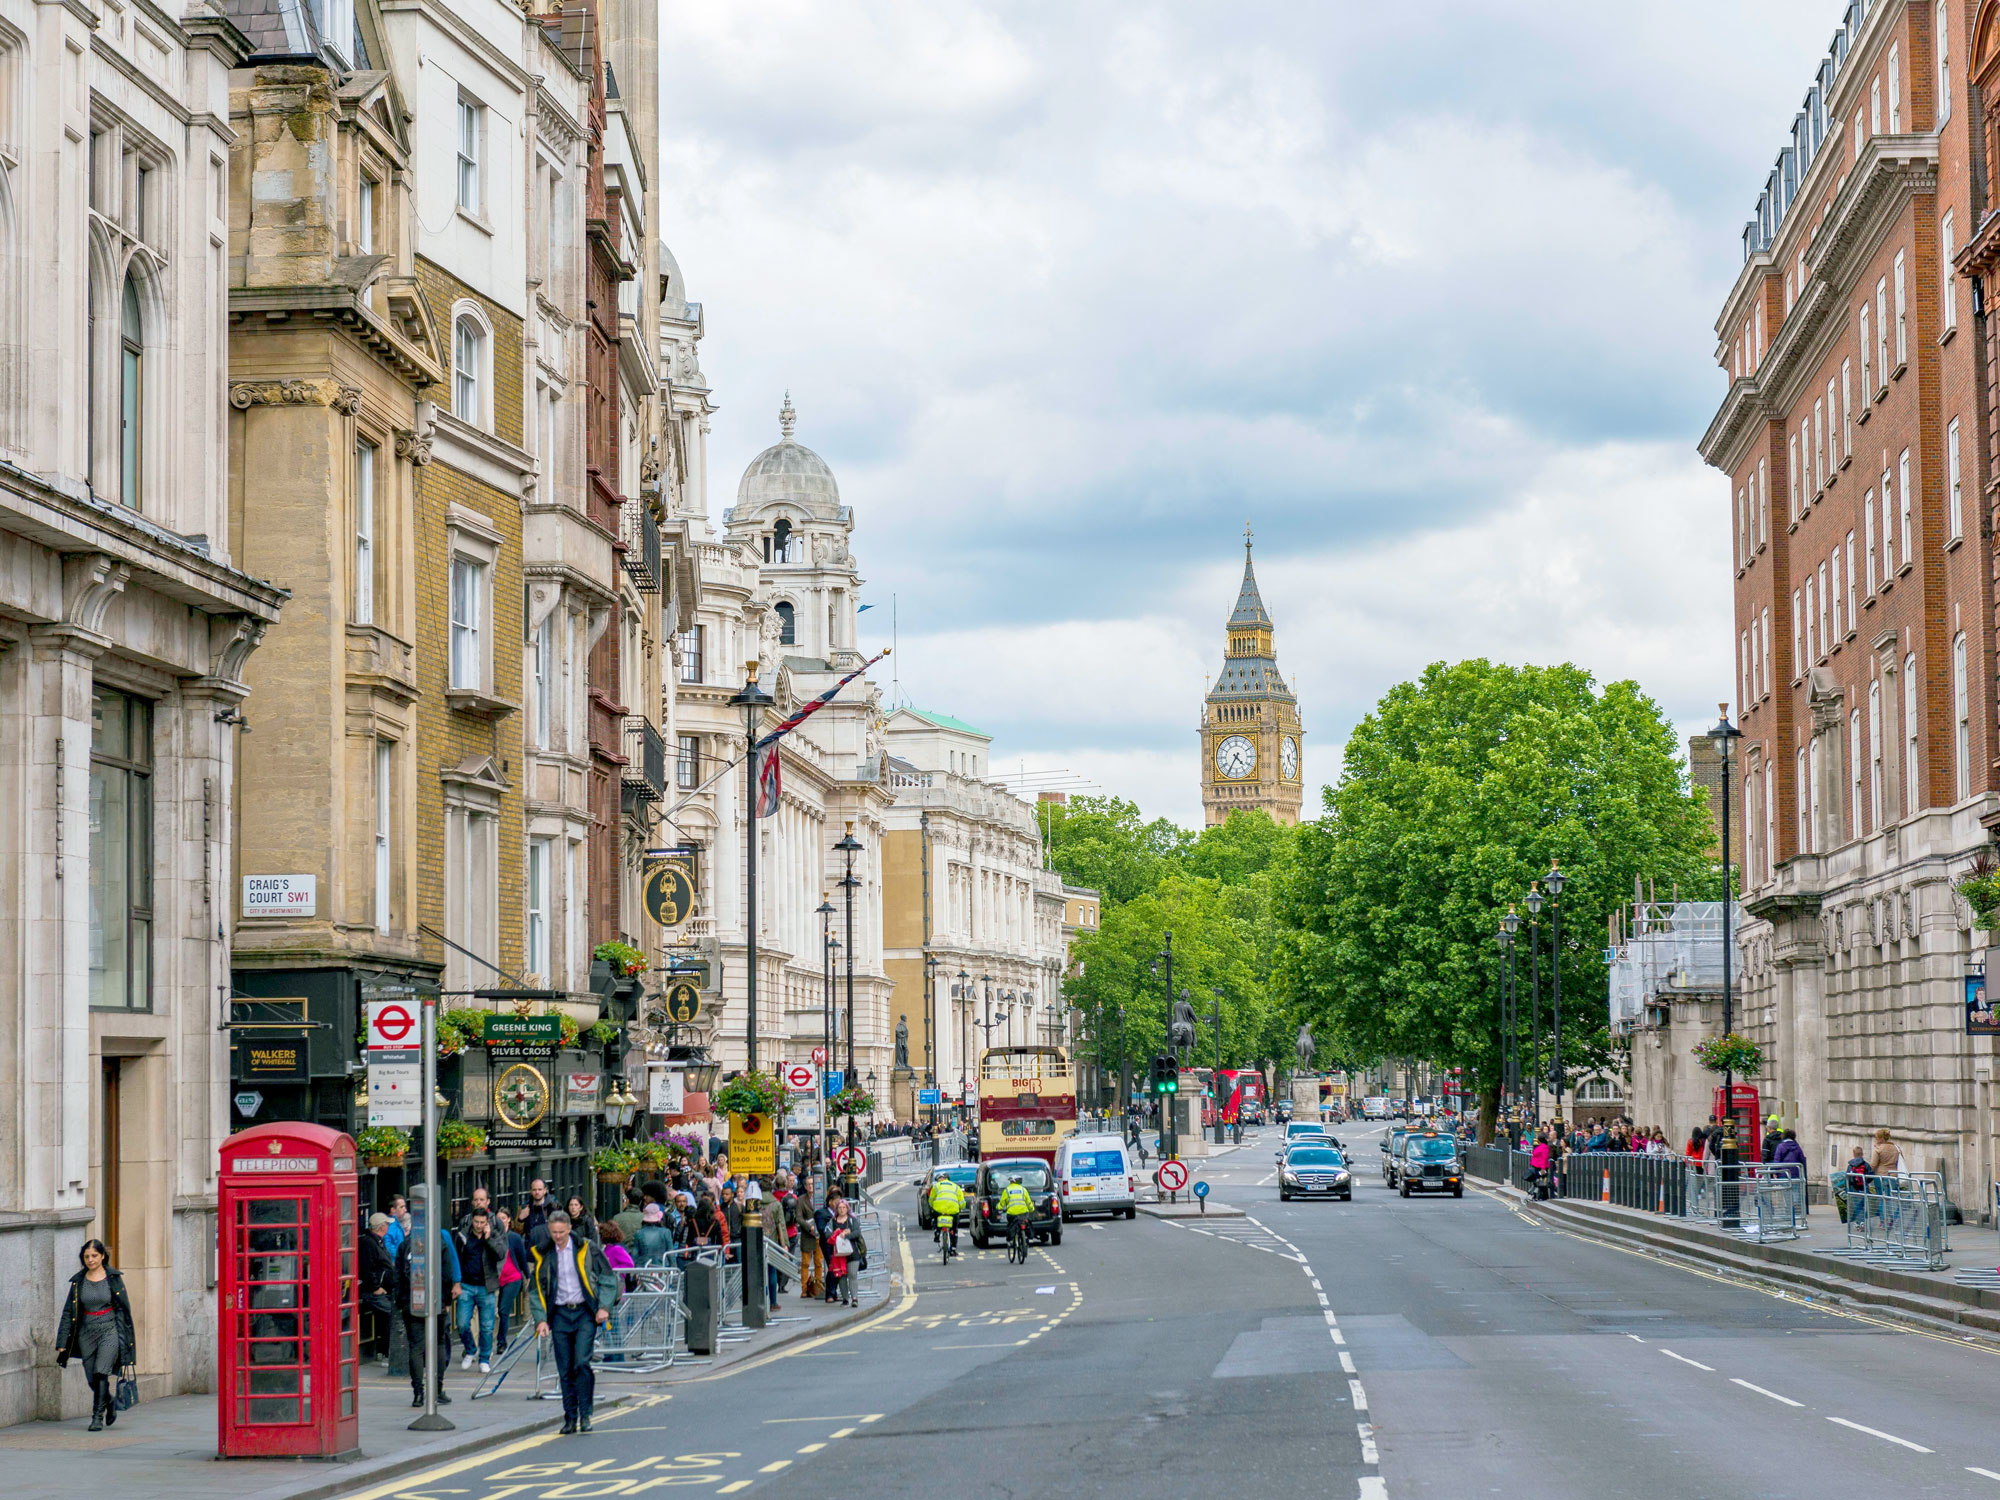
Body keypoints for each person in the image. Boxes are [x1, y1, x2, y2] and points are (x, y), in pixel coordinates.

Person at [528, 1210, 616, 1435]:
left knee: (581, 1363)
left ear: (569, 1229)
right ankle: (570, 1418)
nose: (557, 1236)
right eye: (554, 1232)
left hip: (584, 1313)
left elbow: (608, 1277)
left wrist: (604, 1307)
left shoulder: (587, 1248)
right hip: (559, 1315)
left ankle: (586, 1414)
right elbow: (536, 1290)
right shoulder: (544, 1254)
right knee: (564, 1369)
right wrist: (540, 1319)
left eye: (561, 1232)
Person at [55, 1239, 134, 1431]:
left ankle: (97, 1417)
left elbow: (124, 1310)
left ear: (102, 1256)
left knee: (101, 1372)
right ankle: (109, 1401)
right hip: (86, 1332)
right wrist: (62, 1341)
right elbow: (68, 1312)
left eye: (94, 1256)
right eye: (86, 1257)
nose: (90, 1260)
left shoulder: (113, 1278)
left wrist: (126, 1340)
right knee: (91, 1378)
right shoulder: (78, 1281)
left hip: (109, 1329)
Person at [393, 1219, 460, 1407]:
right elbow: (446, 1274)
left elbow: (397, 1274)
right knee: (438, 1343)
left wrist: (401, 1301)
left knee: (416, 1347)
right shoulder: (439, 1242)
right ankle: (437, 1389)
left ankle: (418, 1394)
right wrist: (446, 1300)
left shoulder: (406, 1244)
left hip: (411, 1302)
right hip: (435, 1301)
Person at [452, 1208, 504, 1373]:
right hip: (466, 1285)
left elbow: (501, 1254)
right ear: (472, 1221)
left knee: (486, 1326)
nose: (479, 1225)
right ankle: (470, 1349)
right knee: (462, 1323)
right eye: (476, 1222)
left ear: (487, 1222)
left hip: (486, 1286)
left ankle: (484, 1358)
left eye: (482, 1222)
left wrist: (488, 1239)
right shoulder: (463, 1235)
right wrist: (456, 1282)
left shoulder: (494, 1235)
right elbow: (456, 1259)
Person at [359, 1212, 396, 1364]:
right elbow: (366, 1269)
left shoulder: (378, 1242)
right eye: (387, 1224)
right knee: (391, 1314)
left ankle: (384, 1351)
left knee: (390, 1314)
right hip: (372, 1292)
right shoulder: (369, 1243)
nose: (388, 1226)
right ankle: (387, 1353)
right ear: (382, 1227)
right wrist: (375, 1287)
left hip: (385, 1289)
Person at [493, 1207, 530, 1355]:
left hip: (512, 1278)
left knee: (503, 1310)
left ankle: (502, 1342)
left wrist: (527, 1276)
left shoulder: (514, 1238)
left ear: (508, 1219)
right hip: (495, 1278)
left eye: (503, 1218)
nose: (500, 1221)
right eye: (498, 1218)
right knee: (492, 1311)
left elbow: (522, 1258)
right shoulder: (492, 1236)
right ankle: (490, 1340)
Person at [822, 1195, 862, 1306]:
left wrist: (847, 1235)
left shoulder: (852, 1220)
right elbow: (827, 1234)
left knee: (853, 1275)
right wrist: (838, 1234)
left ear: (847, 1208)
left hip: (852, 1253)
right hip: (839, 1254)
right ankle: (845, 1298)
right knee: (841, 1276)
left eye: (844, 1207)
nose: (842, 1210)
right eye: (839, 1208)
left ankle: (854, 1298)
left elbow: (857, 1232)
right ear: (836, 1209)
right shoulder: (832, 1221)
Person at [792, 1176, 824, 1299]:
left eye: (812, 1184)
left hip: (819, 1235)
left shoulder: (820, 1198)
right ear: (805, 1186)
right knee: (805, 1263)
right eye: (808, 1184)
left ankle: (818, 1286)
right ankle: (804, 1289)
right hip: (807, 1235)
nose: (811, 1186)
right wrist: (809, 1227)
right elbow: (798, 1218)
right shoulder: (801, 1200)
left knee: (818, 1262)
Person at [928, 1171, 966, 1258]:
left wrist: (932, 1207)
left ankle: (937, 1231)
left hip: (939, 1210)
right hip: (952, 1211)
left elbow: (931, 1200)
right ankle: (953, 1249)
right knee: (954, 1229)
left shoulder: (936, 1186)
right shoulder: (956, 1187)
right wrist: (960, 1208)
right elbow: (962, 1202)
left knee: (935, 1217)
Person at [997, 1172, 1035, 1253]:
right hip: (1023, 1213)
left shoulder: (1006, 1190)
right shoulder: (1023, 1190)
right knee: (1027, 1223)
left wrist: (998, 1208)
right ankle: (1028, 1238)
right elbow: (1028, 1203)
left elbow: (1001, 1204)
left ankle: (1010, 1240)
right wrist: (1031, 1209)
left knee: (1010, 1225)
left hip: (1012, 1214)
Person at [522, 1180, 553, 1249]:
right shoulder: (524, 1207)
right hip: (530, 1246)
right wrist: (520, 1219)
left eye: (539, 1189)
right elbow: (517, 1230)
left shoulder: (552, 1207)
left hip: (548, 1246)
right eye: (534, 1190)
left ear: (545, 1190)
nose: (537, 1192)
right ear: (531, 1191)